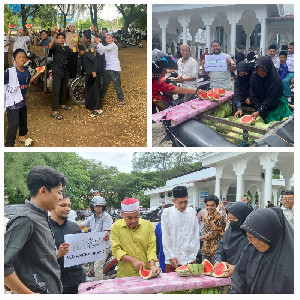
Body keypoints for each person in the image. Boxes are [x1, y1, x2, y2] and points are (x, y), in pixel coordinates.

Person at [4, 166, 67, 294]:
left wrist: (58, 254)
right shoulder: (26, 220)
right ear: (43, 191)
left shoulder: (41, 217)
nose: (61, 197)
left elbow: (37, 258)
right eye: (59, 192)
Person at [230, 207, 294, 293]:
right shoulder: (251, 249)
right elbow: (240, 276)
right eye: (249, 237)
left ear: (272, 234)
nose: (254, 242)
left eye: (259, 238)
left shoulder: (292, 260)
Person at [111, 198, 161, 278]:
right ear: (122, 214)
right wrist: (132, 260)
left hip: (147, 272)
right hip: (126, 275)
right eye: (129, 218)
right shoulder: (116, 227)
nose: (133, 221)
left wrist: (153, 266)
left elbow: (151, 248)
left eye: (136, 216)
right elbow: (116, 250)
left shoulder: (148, 226)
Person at [4, 48, 44, 147]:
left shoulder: (26, 70)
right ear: (14, 60)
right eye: (19, 58)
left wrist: (38, 73)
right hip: (12, 103)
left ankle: (22, 137)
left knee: (23, 120)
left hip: (22, 101)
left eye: (23, 58)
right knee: (13, 125)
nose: (22, 59)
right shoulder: (10, 72)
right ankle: (9, 145)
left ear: (26, 60)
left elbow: (28, 81)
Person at [49, 193, 85, 294]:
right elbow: (37, 258)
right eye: (63, 205)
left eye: (69, 205)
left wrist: (100, 240)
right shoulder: (43, 228)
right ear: (52, 206)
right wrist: (57, 254)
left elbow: (83, 250)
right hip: (54, 283)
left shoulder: (75, 227)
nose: (68, 209)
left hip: (77, 280)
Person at [152, 49, 205, 113]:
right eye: (164, 70)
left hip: (189, 85)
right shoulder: (155, 83)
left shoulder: (157, 83)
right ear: (157, 70)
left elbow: (176, 89)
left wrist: (196, 91)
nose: (166, 73)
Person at [161, 186, 199, 272]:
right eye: (180, 202)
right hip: (173, 260)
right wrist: (170, 256)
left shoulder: (192, 212)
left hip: (190, 258)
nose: (183, 205)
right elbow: (165, 236)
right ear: (173, 201)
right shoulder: (167, 213)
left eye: (185, 202)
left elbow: (195, 235)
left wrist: (194, 255)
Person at [248, 56, 292, 124]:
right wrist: (258, 105)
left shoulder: (275, 80)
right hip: (260, 105)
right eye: (258, 70)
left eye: (263, 71)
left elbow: (272, 98)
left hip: (274, 105)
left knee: (270, 123)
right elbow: (252, 91)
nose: (260, 73)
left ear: (268, 69)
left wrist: (261, 110)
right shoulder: (255, 76)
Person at [214, 201, 253, 277]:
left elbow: (252, 258)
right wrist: (218, 259)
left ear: (243, 218)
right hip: (226, 272)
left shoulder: (251, 235)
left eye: (234, 219)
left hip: (244, 276)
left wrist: (236, 267)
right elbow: (222, 244)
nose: (231, 222)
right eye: (230, 219)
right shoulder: (230, 230)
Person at [80, 196, 112, 281]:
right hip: (94, 245)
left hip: (104, 246)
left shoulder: (106, 217)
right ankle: (90, 276)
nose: (98, 207)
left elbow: (105, 233)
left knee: (97, 265)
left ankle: (99, 286)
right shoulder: (92, 217)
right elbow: (81, 225)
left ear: (103, 207)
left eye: (100, 206)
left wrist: (104, 234)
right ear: (93, 207)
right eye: (96, 206)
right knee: (84, 259)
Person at [95, 33, 126, 106]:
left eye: (110, 38)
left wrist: (98, 42)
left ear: (113, 39)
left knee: (116, 84)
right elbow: (101, 52)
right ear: (105, 39)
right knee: (105, 83)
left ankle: (122, 100)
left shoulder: (113, 45)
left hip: (114, 67)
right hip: (108, 67)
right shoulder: (108, 46)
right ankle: (101, 97)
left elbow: (104, 49)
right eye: (107, 38)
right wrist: (97, 47)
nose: (108, 39)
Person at [49, 31, 74, 120]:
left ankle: (62, 104)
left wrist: (76, 45)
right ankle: (54, 110)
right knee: (56, 90)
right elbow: (50, 47)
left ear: (64, 39)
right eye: (59, 38)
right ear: (57, 39)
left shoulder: (67, 48)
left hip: (65, 71)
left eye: (62, 38)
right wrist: (54, 37)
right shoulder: (55, 47)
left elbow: (74, 53)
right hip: (57, 71)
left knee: (64, 88)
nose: (61, 39)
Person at [200, 195, 226, 265]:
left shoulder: (220, 218)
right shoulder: (205, 217)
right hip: (205, 250)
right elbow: (205, 231)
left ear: (216, 205)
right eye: (207, 205)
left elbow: (212, 234)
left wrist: (198, 238)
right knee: (205, 272)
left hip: (216, 251)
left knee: (215, 272)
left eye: (212, 205)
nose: (209, 207)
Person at [81, 31, 103, 117]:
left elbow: (95, 61)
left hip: (93, 72)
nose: (83, 39)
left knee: (95, 90)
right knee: (89, 89)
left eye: (84, 38)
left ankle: (98, 109)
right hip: (89, 72)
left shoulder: (92, 48)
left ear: (87, 39)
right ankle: (90, 105)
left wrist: (94, 71)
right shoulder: (87, 48)